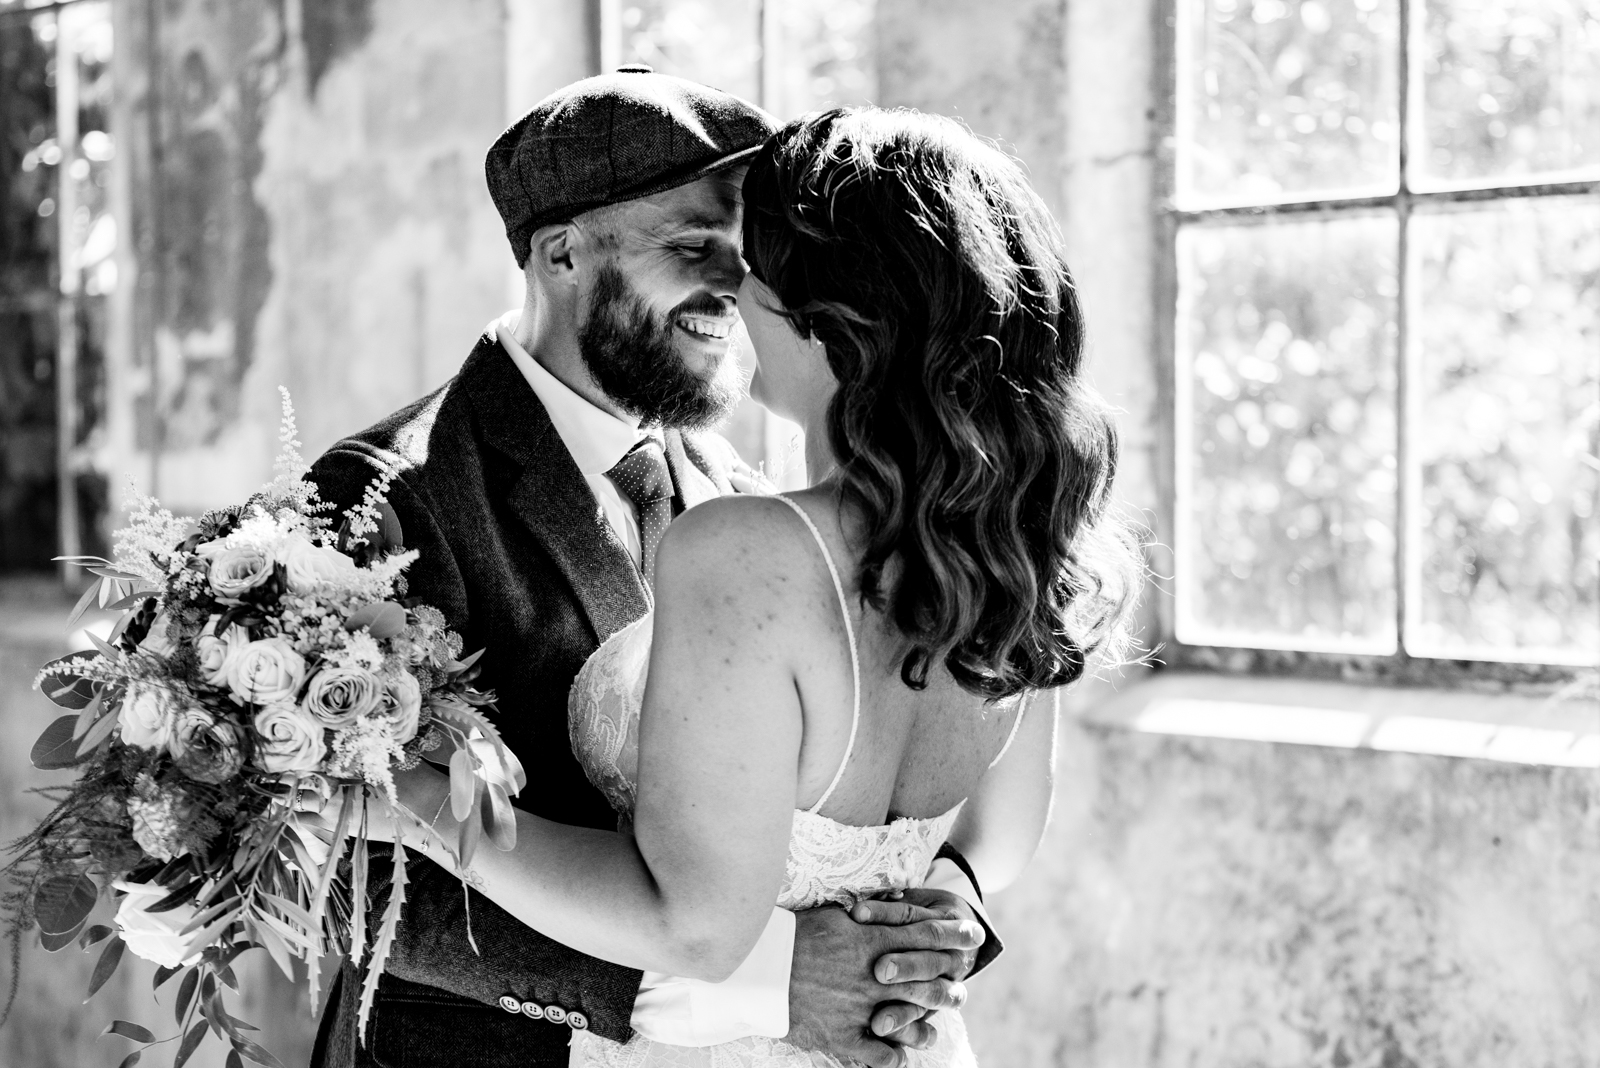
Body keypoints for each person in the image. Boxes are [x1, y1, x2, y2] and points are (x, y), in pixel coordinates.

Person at [372, 107, 1141, 1067]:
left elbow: (691, 922)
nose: (734, 286)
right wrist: (922, 928)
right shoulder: (1003, 542)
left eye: (755, 258)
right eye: (696, 244)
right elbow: (1004, 829)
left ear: (835, 318)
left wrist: (411, 796)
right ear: (562, 253)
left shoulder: (746, 530)